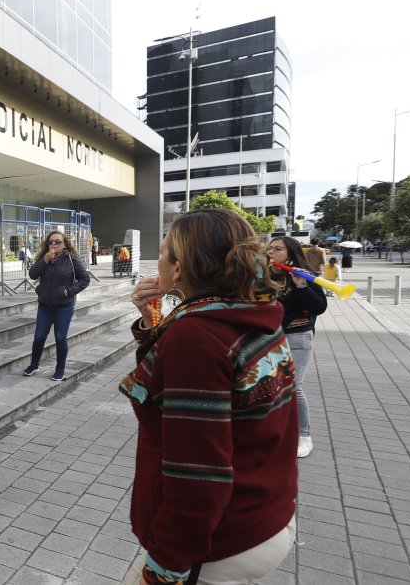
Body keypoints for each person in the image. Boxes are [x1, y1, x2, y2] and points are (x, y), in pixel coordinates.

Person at [125, 208, 296, 585]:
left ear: (180, 268)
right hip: (262, 516)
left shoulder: (196, 338)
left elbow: (197, 473)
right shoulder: (254, 313)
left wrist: (163, 570)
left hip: (218, 543)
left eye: (164, 251)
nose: (158, 260)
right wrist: (152, 320)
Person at [266, 236, 327, 459]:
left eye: (278, 249)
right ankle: (278, 431)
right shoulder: (266, 274)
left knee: (293, 387)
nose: (271, 252)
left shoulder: (303, 275)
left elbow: (319, 307)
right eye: (270, 248)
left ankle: (304, 435)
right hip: (270, 338)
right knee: (271, 386)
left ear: (290, 253)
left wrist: (301, 285)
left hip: (297, 338)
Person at [24, 231, 91, 380]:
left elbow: (85, 279)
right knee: (39, 337)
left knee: (60, 338)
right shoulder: (44, 258)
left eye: (57, 242)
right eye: (50, 242)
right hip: (45, 306)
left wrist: (69, 292)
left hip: (64, 306)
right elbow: (33, 274)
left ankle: (60, 370)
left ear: (65, 244)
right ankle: (34, 365)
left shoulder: (72, 259)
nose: (53, 244)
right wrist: (45, 260)